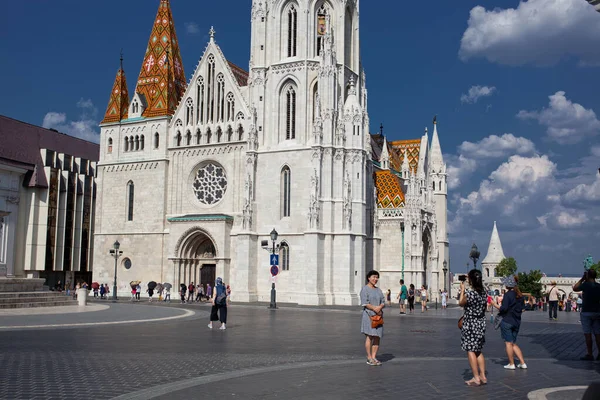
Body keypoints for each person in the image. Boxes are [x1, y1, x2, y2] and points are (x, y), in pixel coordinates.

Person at [491, 276, 527, 370]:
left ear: (508, 285)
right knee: (513, 343)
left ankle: (511, 364)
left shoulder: (508, 295)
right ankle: (522, 363)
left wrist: (494, 304)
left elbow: (503, 308)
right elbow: (523, 309)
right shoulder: (520, 295)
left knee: (508, 343)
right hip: (517, 321)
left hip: (507, 321)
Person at [459, 269, 488, 386]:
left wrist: (462, 290)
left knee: (470, 350)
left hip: (470, 324)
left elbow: (461, 302)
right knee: (478, 350)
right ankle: (483, 376)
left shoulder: (470, 294)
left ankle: (476, 377)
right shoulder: (483, 293)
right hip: (480, 323)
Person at [573, 269, 600, 361]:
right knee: (598, 333)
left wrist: (582, 279)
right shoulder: (598, 286)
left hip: (586, 312)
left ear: (588, 276)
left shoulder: (585, 285)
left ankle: (590, 354)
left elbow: (575, 288)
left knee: (587, 334)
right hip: (597, 312)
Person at [360, 270, 385, 366]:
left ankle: (374, 356)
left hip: (378, 316)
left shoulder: (378, 290)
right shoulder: (364, 289)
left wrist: (380, 306)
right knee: (369, 336)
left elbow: (383, 300)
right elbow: (364, 302)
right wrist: (375, 308)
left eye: (377, 277)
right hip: (369, 316)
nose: (375, 279)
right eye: (374, 277)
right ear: (368, 278)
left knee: (377, 336)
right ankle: (369, 357)